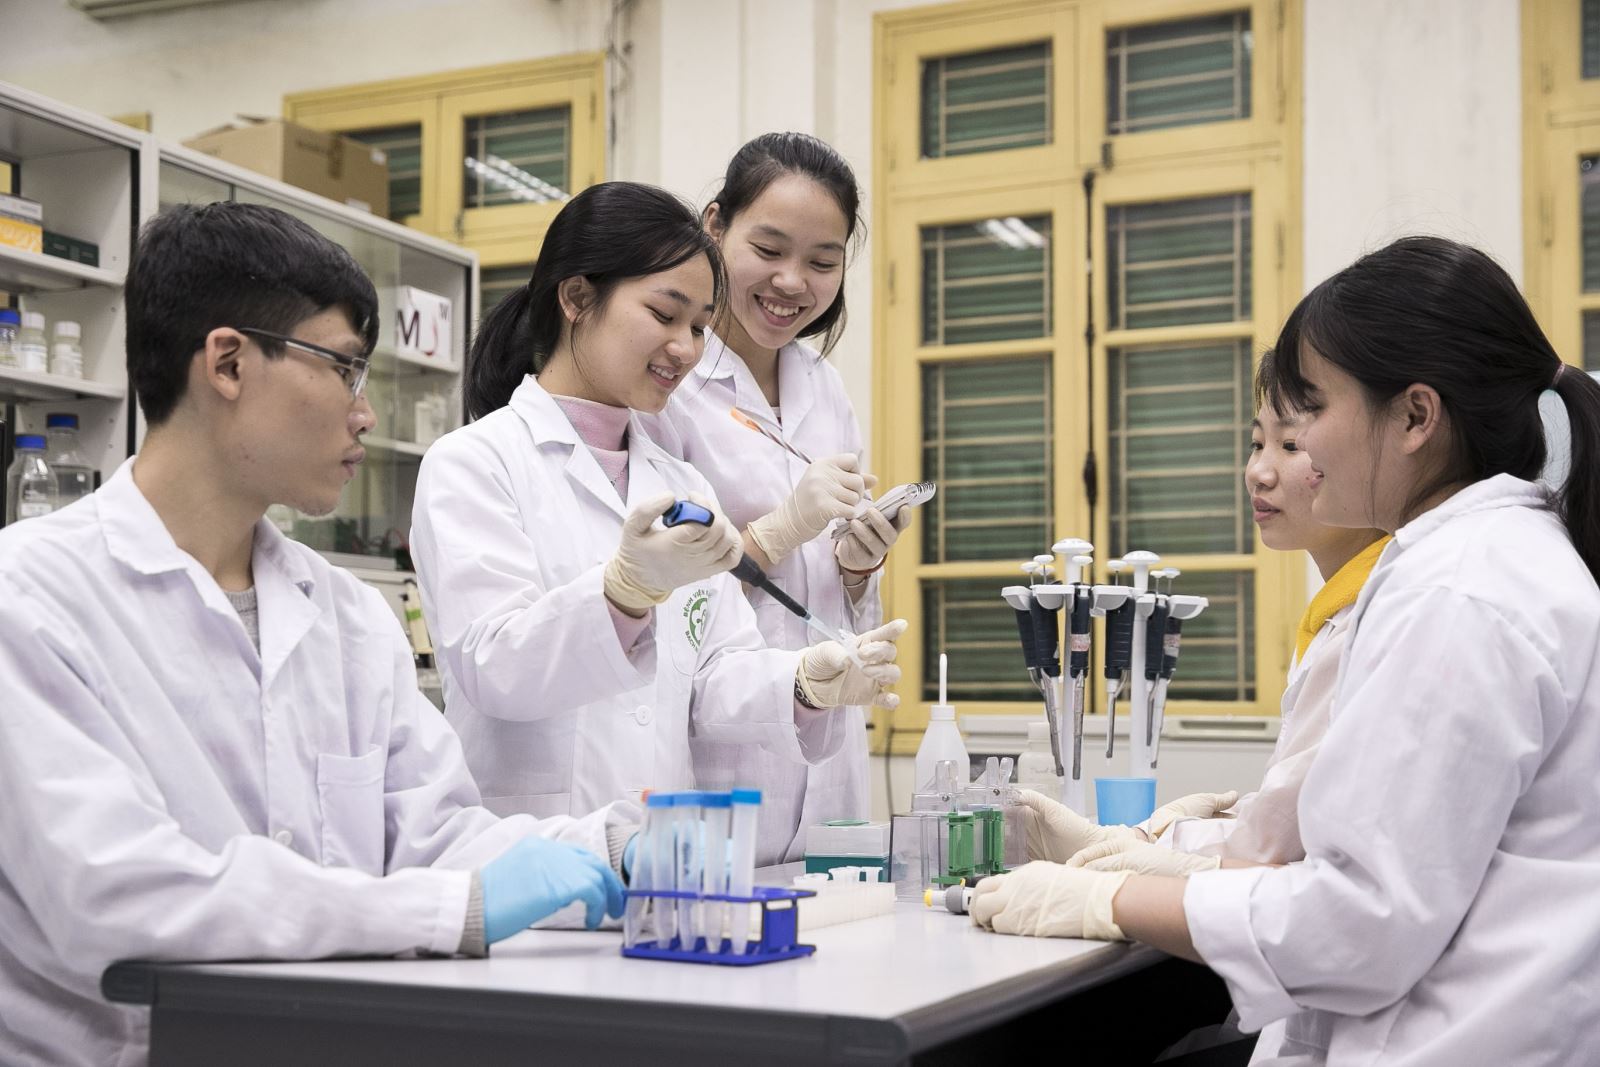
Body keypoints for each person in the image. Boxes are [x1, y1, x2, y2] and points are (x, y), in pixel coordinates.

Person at [0, 202, 637, 1067]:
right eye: (344, 368)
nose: (364, 413)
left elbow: (437, 839)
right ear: (228, 362)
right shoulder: (30, 597)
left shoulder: (348, 616)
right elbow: (117, 895)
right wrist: (446, 910)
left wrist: (612, 847)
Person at [971, 236, 1600, 1065]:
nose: (1289, 455)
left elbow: (1358, 925)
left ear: (1416, 416)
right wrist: (1155, 859)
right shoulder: (1483, 563)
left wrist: (1108, 898)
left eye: (1310, 416)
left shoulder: (1458, 593)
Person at [409, 180, 905, 828]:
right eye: (665, 315)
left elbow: (716, 673)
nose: (686, 349)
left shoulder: (682, 484)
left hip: (662, 857)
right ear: (576, 297)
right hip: (529, 851)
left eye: (698, 326)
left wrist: (803, 683)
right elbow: (493, 668)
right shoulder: (473, 462)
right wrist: (620, 595)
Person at [638, 133, 909, 863]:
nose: (793, 282)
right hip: (718, 757)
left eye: (822, 262)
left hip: (829, 764)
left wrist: (857, 567)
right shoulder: (670, 382)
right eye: (769, 249)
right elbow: (649, 598)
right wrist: (781, 529)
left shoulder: (823, 387)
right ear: (714, 226)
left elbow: (830, 599)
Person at [1063, 351, 1389, 877]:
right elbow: (1286, 818)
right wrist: (1149, 835)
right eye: (1257, 443)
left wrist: (1149, 847)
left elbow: (1276, 843)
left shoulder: (1374, 617)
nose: (1257, 472)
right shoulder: (1333, 615)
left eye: (1291, 445)